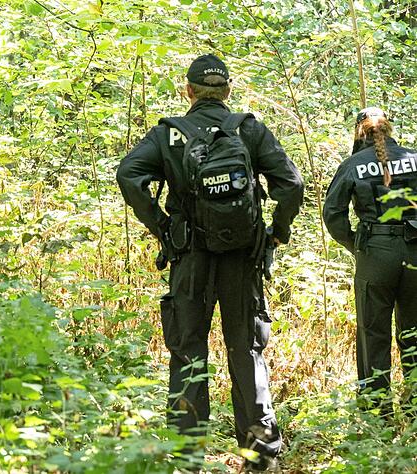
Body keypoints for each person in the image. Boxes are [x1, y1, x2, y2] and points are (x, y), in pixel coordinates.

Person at [117, 54, 304, 471]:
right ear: (228, 91)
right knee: (246, 351)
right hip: (243, 259)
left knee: (188, 351)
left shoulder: (168, 135)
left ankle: (187, 458)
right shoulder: (249, 129)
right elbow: (291, 184)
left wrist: (163, 227)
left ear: (189, 91)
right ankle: (260, 455)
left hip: (190, 260)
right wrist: (276, 232)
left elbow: (128, 175)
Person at [323, 107, 417, 418]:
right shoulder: (414, 158)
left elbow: (332, 213)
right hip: (414, 253)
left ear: (358, 132)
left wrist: (356, 245)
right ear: (389, 129)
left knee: (373, 334)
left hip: (375, 253)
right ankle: (415, 411)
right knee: (414, 333)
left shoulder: (353, 164)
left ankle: (377, 415)